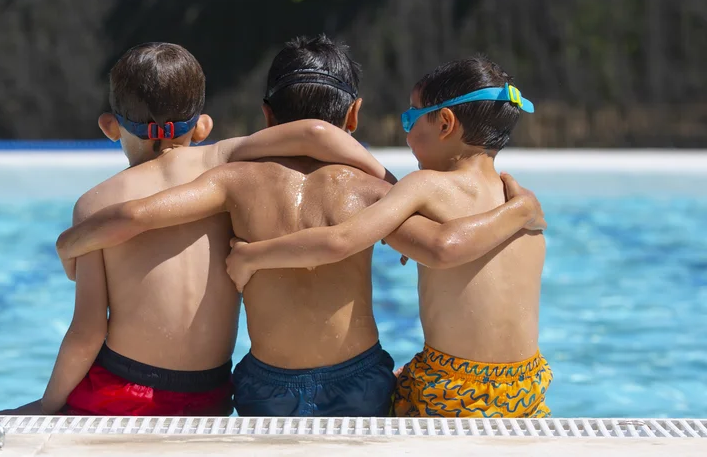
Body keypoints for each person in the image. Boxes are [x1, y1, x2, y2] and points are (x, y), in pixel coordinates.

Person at [54, 38, 543, 417]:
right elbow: (440, 246)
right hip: (359, 379)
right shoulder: (376, 193)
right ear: (354, 115)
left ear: (267, 116)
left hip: (266, 384)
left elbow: (140, 213)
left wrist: (72, 239)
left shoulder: (231, 180)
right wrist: (516, 211)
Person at [0, 42, 390, 417]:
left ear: (110, 126)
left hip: (123, 388)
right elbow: (315, 133)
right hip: (210, 393)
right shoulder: (222, 162)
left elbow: (87, 331)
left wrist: (47, 407)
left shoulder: (97, 204)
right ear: (202, 126)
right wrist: (389, 181)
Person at [226, 56, 553, 418]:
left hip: (453, 388)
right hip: (527, 386)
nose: (406, 133)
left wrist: (251, 256)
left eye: (410, 118)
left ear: (445, 123)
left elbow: (344, 241)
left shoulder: (428, 187)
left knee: (391, 384)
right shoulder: (518, 197)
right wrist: (519, 211)